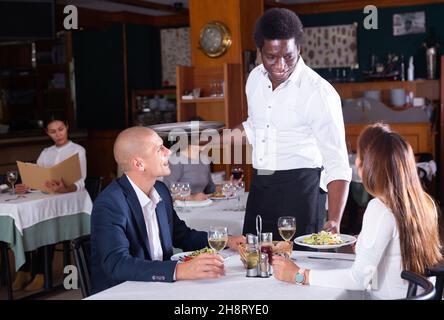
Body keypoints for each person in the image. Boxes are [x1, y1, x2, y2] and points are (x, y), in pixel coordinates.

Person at [272, 123, 443, 299]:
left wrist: (299, 275)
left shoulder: (379, 209)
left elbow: (358, 280)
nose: (356, 161)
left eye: (359, 156)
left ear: (370, 165)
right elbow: (392, 261)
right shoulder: (424, 203)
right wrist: (363, 246)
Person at [238, 8, 351, 244]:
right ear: (259, 52)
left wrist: (334, 219)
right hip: (261, 185)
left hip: (302, 190)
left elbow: (337, 161)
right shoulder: (254, 79)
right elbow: (254, 127)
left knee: (297, 269)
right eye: (271, 57)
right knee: (252, 258)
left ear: (299, 48)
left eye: (288, 56)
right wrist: (207, 141)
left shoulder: (318, 92)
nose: (280, 65)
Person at [90, 126, 245, 294]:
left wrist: (227, 240)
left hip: (159, 287)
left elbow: (182, 235)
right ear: (139, 164)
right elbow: (117, 264)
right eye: (159, 149)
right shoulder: (110, 203)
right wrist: (180, 270)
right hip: (123, 292)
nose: (168, 152)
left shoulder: (161, 190)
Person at [12, 115, 87, 292]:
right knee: (27, 223)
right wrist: (27, 186)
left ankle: (41, 272)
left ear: (67, 127)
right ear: (47, 133)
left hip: (70, 203)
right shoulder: (45, 153)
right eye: (53, 131)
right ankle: (24, 270)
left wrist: (66, 189)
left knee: (45, 224)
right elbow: (37, 180)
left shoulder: (78, 150)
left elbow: (81, 181)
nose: (58, 134)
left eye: (61, 129)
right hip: (48, 200)